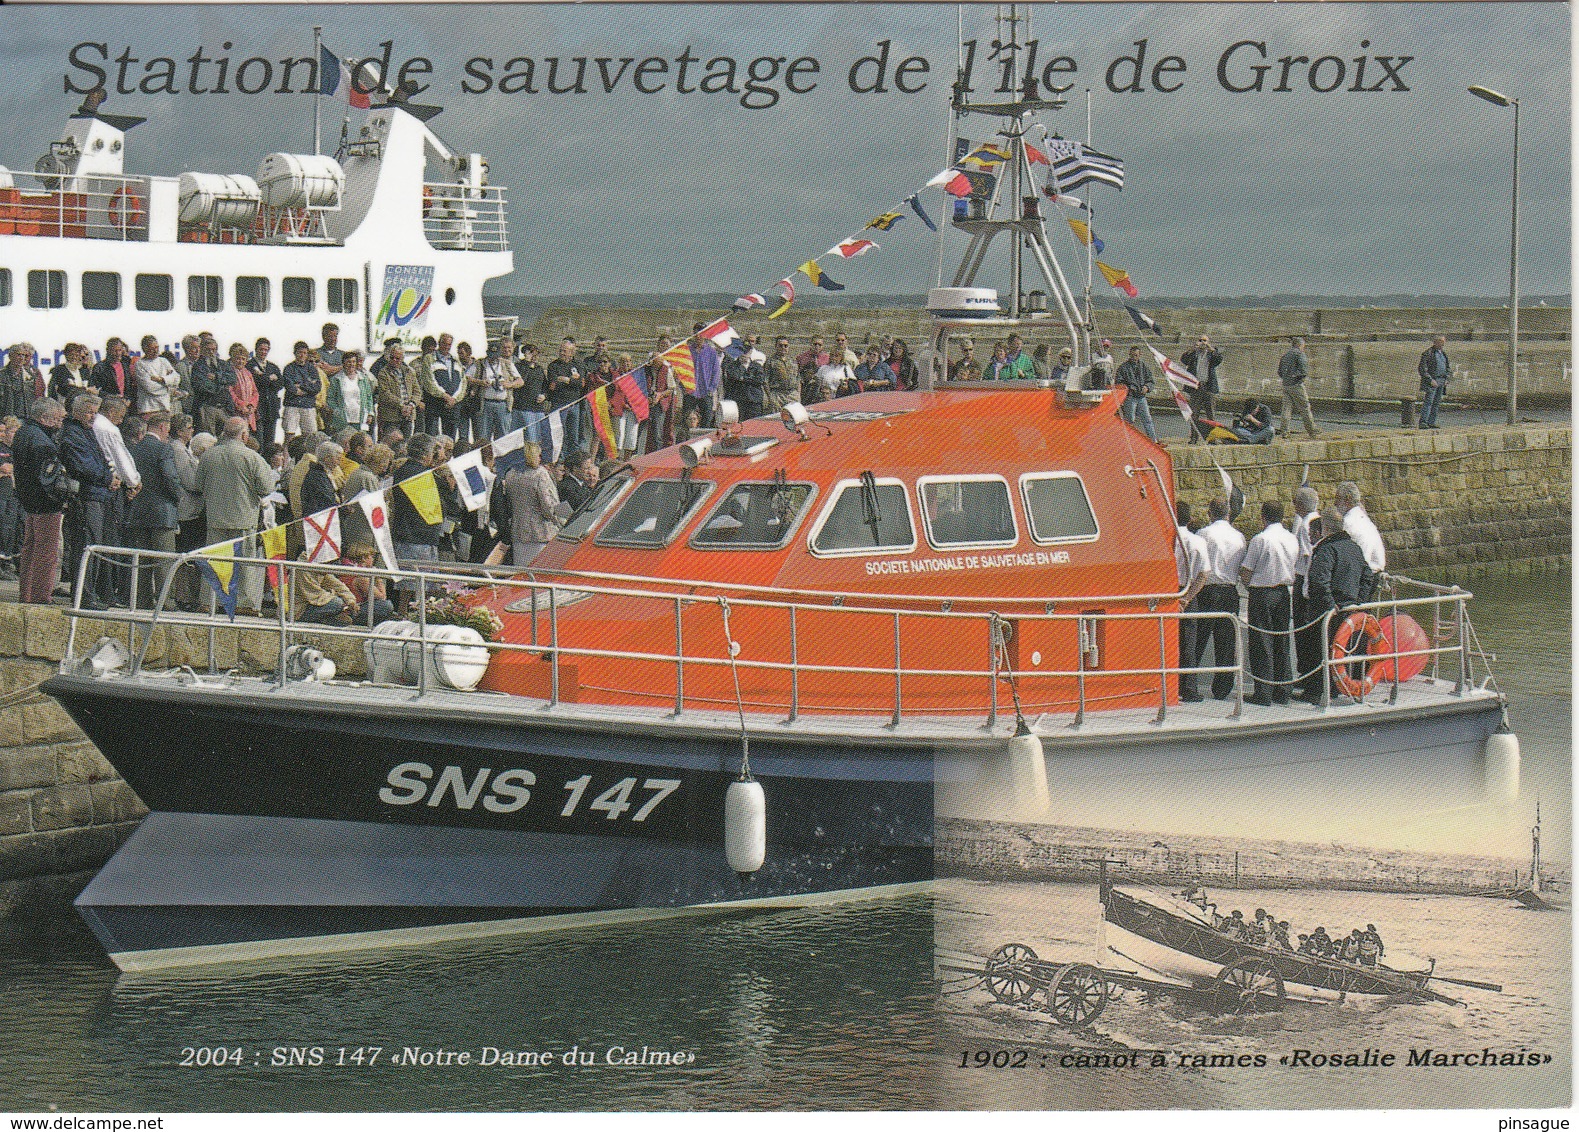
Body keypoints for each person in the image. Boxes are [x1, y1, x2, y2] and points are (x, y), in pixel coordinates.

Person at [194, 417, 277, 616]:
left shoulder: (209, 456)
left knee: (213, 560)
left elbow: (198, 485)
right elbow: (266, 488)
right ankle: (244, 604)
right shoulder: (252, 457)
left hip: (215, 518)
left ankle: (208, 601)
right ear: (244, 435)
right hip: (243, 518)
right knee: (245, 564)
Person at [1304, 508, 1375, 699]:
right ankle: (1341, 687)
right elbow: (1368, 576)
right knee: (1344, 652)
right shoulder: (1354, 548)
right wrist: (1360, 601)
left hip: (1331, 612)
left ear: (1325, 527)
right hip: (1350, 609)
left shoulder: (1327, 549)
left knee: (1321, 651)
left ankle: (1320, 691)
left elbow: (1319, 580)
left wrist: (1330, 604)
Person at [58, 393, 118, 610]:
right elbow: (83, 466)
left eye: (95, 412)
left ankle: (90, 594)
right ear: (77, 411)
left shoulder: (85, 432)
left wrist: (110, 477)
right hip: (86, 497)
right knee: (86, 546)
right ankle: (84, 596)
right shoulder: (73, 434)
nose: (93, 416)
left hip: (97, 493)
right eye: (89, 411)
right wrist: (108, 478)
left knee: (93, 546)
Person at [1240, 500, 1299, 706]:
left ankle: (1263, 693)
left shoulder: (1260, 539)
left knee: (1261, 642)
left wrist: (1249, 586)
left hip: (1262, 593)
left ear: (1263, 516)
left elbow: (1247, 570)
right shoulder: (1292, 539)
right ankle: (1283, 690)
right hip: (1283, 593)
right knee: (1282, 640)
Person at [13, 398, 69, 605]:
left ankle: (26, 594)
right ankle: (40, 596)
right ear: (45, 418)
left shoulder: (22, 433)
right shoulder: (42, 442)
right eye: (56, 418)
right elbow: (48, 479)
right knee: (46, 551)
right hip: (46, 503)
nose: (59, 422)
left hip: (28, 500)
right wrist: (61, 498)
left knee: (30, 548)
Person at [124, 410, 183, 608]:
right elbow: (170, 477)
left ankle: (141, 599)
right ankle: (165, 600)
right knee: (164, 559)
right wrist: (178, 496)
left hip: (138, 510)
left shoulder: (134, 448)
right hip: (162, 511)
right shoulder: (163, 449)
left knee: (141, 560)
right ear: (163, 427)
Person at [1196, 496, 1246, 700]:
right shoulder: (1239, 537)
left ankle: (1187, 683)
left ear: (1210, 513)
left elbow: (1198, 565)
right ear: (1228, 514)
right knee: (1226, 644)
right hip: (1230, 591)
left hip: (1207, 591)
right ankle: (1222, 688)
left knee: (1198, 639)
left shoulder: (1203, 534)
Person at [503, 442, 561, 566]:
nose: (540, 458)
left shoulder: (510, 474)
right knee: (540, 573)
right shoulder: (540, 474)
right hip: (540, 532)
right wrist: (559, 522)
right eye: (539, 455)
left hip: (518, 532)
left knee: (522, 573)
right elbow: (549, 506)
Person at [1174, 501, 1209, 702]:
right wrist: (1187, 599)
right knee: (1189, 643)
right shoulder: (1197, 541)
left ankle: (1167, 684)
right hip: (1188, 592)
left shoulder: (1167, 539)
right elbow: (1203, 574)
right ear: (1189, 519)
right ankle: (1188, 688)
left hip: (1167, 591)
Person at [1290, 485, 1322, 698]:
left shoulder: (1304, 526)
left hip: (1305, 579)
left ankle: (1307, 679)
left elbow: (1306, 556)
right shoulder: (1319, 519)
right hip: (1314, 579)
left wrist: (1304, 588)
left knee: (1303, 633)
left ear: (1300, 505)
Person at [1336, 482, 1384, 601]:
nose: (1335, 503)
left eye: (1337, 498)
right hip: (1373, 574)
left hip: (1359, 578)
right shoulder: (1365, 519)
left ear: (1347, 500)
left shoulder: (1347, 522)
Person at [374, 339, 422, 441]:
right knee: (391, 442)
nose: (394, 360)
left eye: (398, 358)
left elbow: (417, 391)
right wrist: (402, 405)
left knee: (406, 443)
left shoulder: (409, 371)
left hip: (408, 416)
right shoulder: (383, 373)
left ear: (402, 359)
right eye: (392, 358)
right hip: (391, 416)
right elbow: (385, 393)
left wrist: (411, 405)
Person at [545, 339, 586, 455]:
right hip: (559, 404)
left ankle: (572, 460)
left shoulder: (578, 365)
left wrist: (565, 379)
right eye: (561, 350)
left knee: (573, 436)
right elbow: (553, 385)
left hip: (574, 404)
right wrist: (572, 380)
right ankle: (559, 460)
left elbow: (581, 384)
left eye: (565, 351)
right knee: (558, 434)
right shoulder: (553, 366)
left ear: (571, 353)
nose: (562, 353)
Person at [419, 333, 463, 438]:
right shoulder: (430, 358)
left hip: (451, 405)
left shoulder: (455, 361)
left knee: (449, 438)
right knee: (432, 436)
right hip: (434, 403)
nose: (446, 347)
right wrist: (444, 395)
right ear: (439, 343)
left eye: (449, 344)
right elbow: (429, 381)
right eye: (444, 344)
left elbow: (462, 382)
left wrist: (454, 399)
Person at [188, 334, 233, 437]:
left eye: (213, 349)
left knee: (226, 436)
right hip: (207, 406)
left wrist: (217, 377)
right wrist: (221, 386)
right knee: (209, 438)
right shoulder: (198, 366)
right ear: (202, 350)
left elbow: (232, 379)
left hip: (224, 407)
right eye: (208, 350)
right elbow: (201, 385)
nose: (211, 352)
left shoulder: (223, 364)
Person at [1181, 334, 1222, 443]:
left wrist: (1210, 348)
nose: (1202, 343)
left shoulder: (1212, 353)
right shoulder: (1193, 354)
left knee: (1211, 414)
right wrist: (1192, 349)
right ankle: (1194, 437)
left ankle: (1212, 438)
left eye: (1205, 340)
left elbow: (1219, 359)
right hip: (1196, 387)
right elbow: (1183, 360)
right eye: (1200, 340)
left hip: (1208, 386)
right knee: (1194, 414)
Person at [474, 341, 518, 441]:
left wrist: (510, 384)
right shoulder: (480, 363)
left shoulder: (507, 364)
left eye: (496, 356)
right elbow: (467, 377)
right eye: (491, 356)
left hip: (503, 404)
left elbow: (520, 381)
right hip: (485, 404)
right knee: (483, 436)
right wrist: (480, 382)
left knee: (503, 436)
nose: (493, 358)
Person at [325, 350, 375, 435]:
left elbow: (369, 397)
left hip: (360, 417)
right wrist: (336, 411)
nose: (351, 364)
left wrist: (370, 413)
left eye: (353, 362)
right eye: (348, 362)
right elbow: (330, 398)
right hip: (343, 418)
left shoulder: (363, 378)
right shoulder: (336, 379)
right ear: (343, 363)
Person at [1278, 336, 1319, 438]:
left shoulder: (1285, 356)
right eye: (1303, 346)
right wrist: (1298, 379)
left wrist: (1287, 378)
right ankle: (1312, 430)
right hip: (1296, 385)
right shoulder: (1299, 354)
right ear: (1300, 345)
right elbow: (1304, 371)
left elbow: (1279, 372)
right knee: (1305, 407)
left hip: (1285, 384)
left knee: (1286, 409)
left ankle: (1284, 431)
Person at [280, 341, 322, 441]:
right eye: (299, 352)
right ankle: (287, 457)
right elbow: (290, 387)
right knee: (289, 435)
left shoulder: (312, 369)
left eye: (304, 353)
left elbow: (317, 387)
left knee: (310, 436)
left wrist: (302, 386)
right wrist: (307, 387)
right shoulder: (289, 368)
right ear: (295, 353)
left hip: (308, 405)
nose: (302, 355)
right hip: (292, 404)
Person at [1115, 346, 1157, 441]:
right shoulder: (1123, 368)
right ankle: (1127, 440)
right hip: (1130, 397)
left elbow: (1150, 381)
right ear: (1129, 355)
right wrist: (1130, 388)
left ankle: (1153, 440)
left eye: (1136, 355)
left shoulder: (1144, 367)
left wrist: (1147, 387)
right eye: (1132, 355)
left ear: (1139, 355)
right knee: (1129, 420)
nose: (1134, 357)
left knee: (1147, 419)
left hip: (1141, 397)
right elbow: (1119, 383)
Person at [134, 335, 182, 418]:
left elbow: (177, 378)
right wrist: (168, 387)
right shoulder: (140, 364)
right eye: (152, 349)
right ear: (145, 349)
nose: (155, 351)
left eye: (157, 347)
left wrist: (161, 379)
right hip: (149, 408)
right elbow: (150, 387)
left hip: (165, 406)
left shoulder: (163, 361)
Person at [248, 338, 283, 447]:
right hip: (258, 408)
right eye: (261, 349)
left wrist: (263, 377)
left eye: (266, 350)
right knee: (258, 440)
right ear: (256, 349)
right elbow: (255, 383)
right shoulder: (250, 365)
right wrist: (270, 378)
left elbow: (280, 383)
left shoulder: (273, 366)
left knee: (270, 441)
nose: (263, 352)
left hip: (271, 408)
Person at [224, 343, 260, 437]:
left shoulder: (248, 373)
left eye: (243, 359)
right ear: (233, 358)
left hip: (249, 413)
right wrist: (242, 406)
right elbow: (230, 392)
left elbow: (255, 392)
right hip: (236, 412)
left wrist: (251, 406)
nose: (240, 361)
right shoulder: (229, 372)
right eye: (238, 358)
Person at [1417, 334, 1450, 429]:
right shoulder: (1428, 353)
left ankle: (1431, 422)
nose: (1443, 343)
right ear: (1435, 342)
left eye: (1444, 341)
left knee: (1437, 402)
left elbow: (1448, 368)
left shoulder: (1443, 354)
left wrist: (1447, 378)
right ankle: (1423, 422)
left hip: (1441, 381)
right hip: (1432, 381)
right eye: (1441, 341)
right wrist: (1430, 380)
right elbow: (1422, 369)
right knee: (1429, 402)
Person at [90, 338, 134, 402]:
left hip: (125, 405)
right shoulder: (99, 367)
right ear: (108, 350)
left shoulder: (126, 365)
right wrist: (112, 397)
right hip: (108, 405)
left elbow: (130, 386)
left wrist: (128, 399)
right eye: (115, 350)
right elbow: (94, 389)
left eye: (120, 350)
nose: (118, 353)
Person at [763, 336, 798, 415]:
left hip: (792, 394)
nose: (783, 348)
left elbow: (798, 378)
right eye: (780, 345)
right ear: (776, 346)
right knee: (777, 418)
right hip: (777, 395)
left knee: (793, 418)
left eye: (786, 346)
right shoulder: (770, 361)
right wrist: (770, 397)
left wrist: (798, 394)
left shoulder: (793, 360)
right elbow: (765, 381)